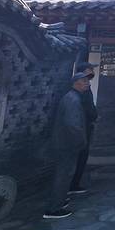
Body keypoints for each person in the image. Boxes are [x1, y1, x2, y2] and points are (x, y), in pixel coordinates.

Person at [44, 72, 90, 219]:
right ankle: (54, 208)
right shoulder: (72, 100)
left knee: (64, 173)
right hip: (67, 144)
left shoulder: (72, 97)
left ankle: (60, 200)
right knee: (63, 174)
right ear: (76, 83)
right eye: (84, 81)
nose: (87, 83)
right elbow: (73, 125)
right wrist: (81, 140)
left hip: (64, 142)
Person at [68, 60, 99, 195]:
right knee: (79, 155)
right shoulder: (78, 93)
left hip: (85, 124)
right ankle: (72, 185)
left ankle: (74, 183)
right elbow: (86, 107)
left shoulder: (84, 88)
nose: (92, 72)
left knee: (82, 155)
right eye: (90, 69)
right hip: (81, 126)